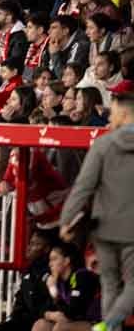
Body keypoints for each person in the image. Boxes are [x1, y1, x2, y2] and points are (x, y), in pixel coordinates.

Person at [60, 91, 134, 331]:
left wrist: (66, 219)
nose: (109, 118)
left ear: (124, 114)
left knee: (110, 283)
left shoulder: (103, 145)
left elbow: (83, 186)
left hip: (104, 226)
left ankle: (109, 326)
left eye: (113, 113)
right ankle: (111, 324)